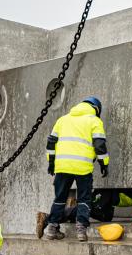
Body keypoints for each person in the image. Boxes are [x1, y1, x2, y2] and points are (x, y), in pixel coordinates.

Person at [44, 96, 109, 242]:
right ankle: (81, 230)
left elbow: (51, 143)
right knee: (84, 198)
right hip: (83, 167)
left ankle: (52, 229)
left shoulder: (62, 120)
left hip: (62, 165)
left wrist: (51, 162)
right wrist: (104, 163)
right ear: (96, 109)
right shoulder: (95, 121)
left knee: (60, 198)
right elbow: (99, 146)